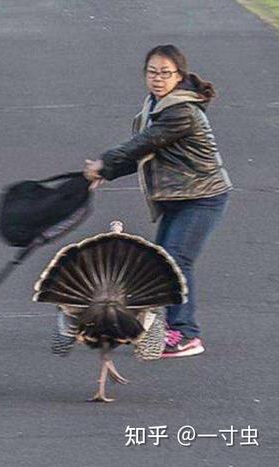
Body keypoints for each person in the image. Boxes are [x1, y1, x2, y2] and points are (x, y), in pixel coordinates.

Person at [83, 44, 232, 358]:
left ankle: (187, 335)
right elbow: (143, 155)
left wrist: (103, 162)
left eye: (166, 73)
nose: (158, 78)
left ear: (179, 76)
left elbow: (142, 144)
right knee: (162, 263)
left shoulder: (180, 111)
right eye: (152, 72)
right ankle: (165, 328)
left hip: (203, 197)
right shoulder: (155, 105)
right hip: (179, 198)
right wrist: (105, 172)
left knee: (177, 261)